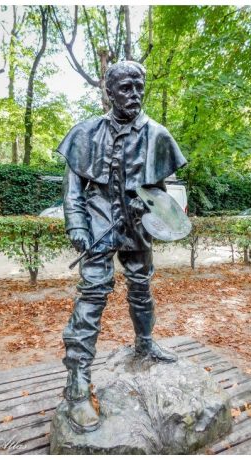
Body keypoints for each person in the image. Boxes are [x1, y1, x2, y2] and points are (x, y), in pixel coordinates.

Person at [56, 60, 187, 432]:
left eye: (138, 87)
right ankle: (78, 381)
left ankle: (145, 342)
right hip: (98, 225)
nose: (134, 94)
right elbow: (72, 192)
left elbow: (166, 194)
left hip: (137, 225)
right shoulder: (85, 134)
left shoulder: (158, 136)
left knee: (142, 288)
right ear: (109, 92)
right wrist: (78, 225)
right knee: (92, 294)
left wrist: (161, 217)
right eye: (125, 88)